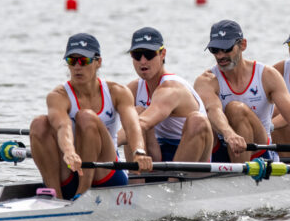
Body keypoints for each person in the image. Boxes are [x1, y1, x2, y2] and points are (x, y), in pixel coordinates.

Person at [29, 33, 152, 200]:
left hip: (106, 172)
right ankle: (54, 196)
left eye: (84, 60)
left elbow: (132, 126)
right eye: (72, 61)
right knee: (38, 123)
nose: (77, 67)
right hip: (72, 168)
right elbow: (62, 126)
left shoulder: (117, 92)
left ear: (98, 62)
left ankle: (83, 191)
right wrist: (69, 151)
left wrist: (139, 151)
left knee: (86, 116)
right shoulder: (58, 95)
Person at [194, 19, 290, 163]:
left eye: (226, 49)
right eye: (215, 50)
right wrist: (229, 133)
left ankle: (240, 174)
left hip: (259, 150)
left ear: (243, 45)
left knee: (236, 109)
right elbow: (213, 110)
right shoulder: (206, 80)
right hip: (223, 144)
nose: (220, 56)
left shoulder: (267, 75)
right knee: (197, 120)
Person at [124, 26, 212, 162]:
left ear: (162, 54)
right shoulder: (134, 88)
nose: (142, 61)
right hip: (159, 152)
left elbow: (141, 124)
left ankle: (174, 181)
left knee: (197, 120)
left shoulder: (171, 89)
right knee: (136, 112)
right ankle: (137, 180)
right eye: (137, 55)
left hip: (193, 155)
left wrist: (112, 141)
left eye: (149, 54)